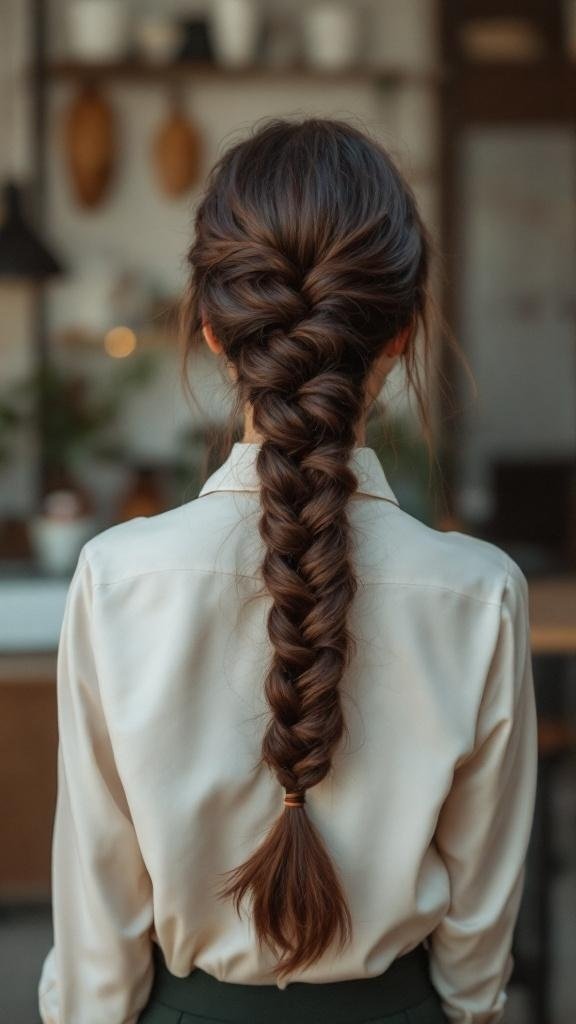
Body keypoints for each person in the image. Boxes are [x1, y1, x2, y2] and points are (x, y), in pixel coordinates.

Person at [38, 116, 538, 1024]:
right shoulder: (481, 596)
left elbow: (97, 924)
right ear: (400, 334)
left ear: (212, 332)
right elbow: (478, 937)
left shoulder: (115, 580)